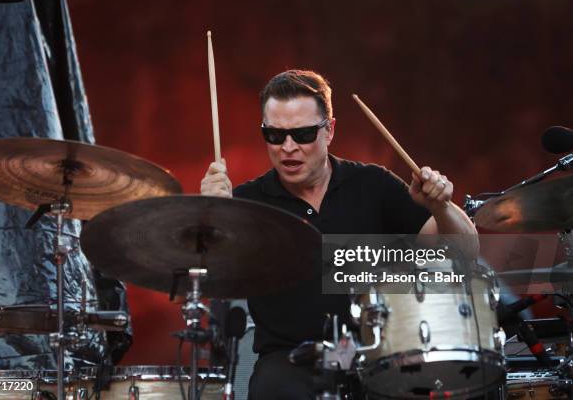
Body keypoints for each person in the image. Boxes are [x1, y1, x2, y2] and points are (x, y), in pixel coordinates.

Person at [201, 70, 477, 399]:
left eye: (302, 134)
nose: (288, 147)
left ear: (329, 130)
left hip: (378, 357)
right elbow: (209, 276)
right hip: (288, 365)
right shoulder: (245, 203)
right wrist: (212, 215)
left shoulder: (374, 185)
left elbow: (464, 253)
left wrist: (440, 207)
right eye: (274, 135)